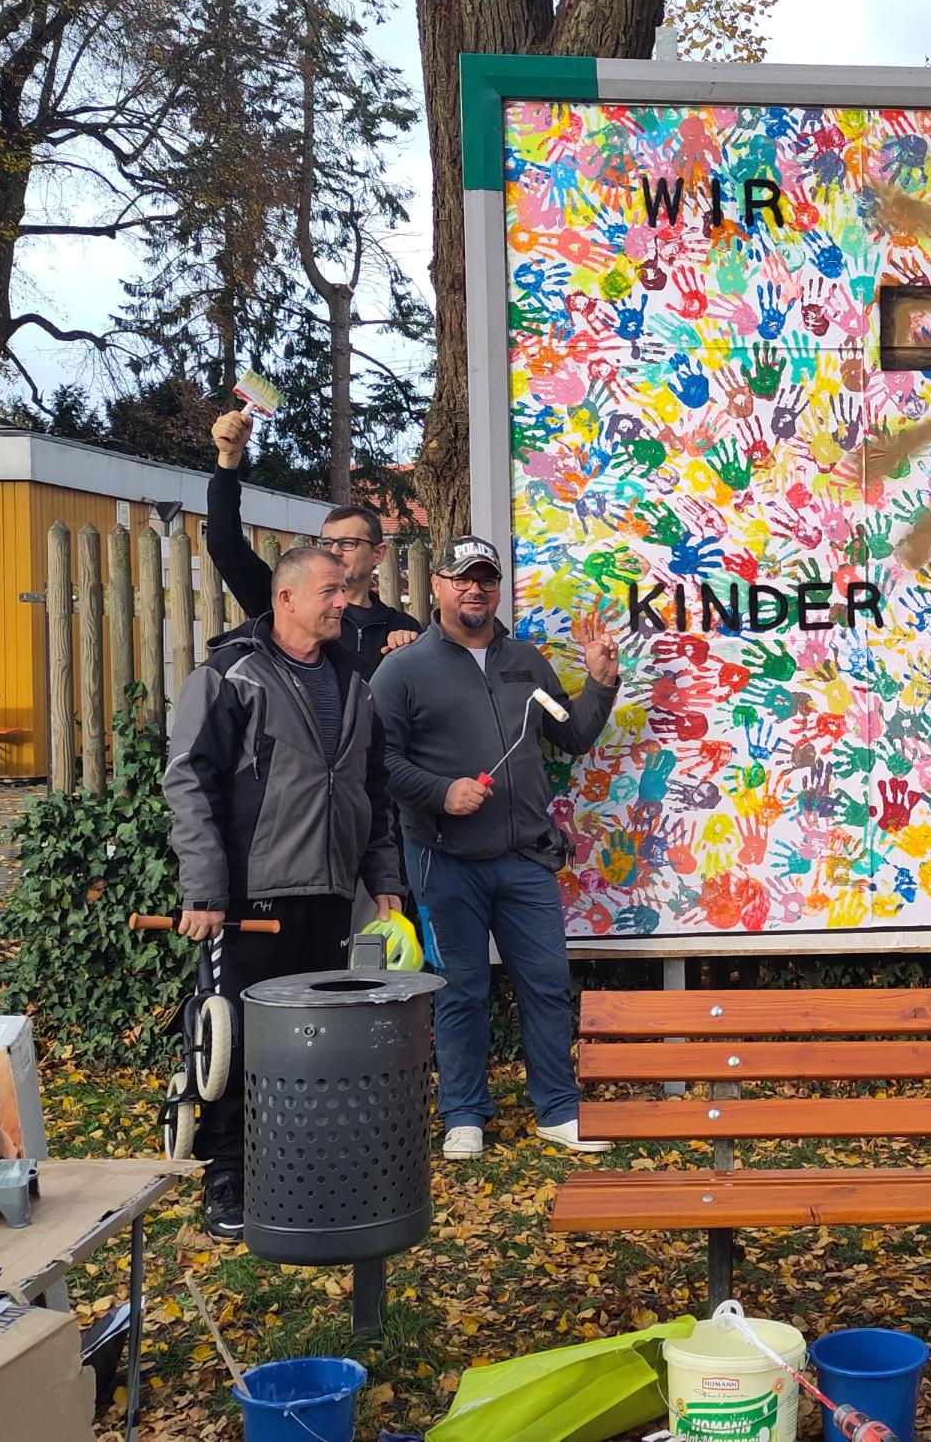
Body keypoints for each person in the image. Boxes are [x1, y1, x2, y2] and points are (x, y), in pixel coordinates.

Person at [164, 546, 405, 1239]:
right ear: (288, 598)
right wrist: (204, 888)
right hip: (247, 900)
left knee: (309, 1041)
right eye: (331, 591)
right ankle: (228, 1175)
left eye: (346, 591)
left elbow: (374, 790)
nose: (344, 602)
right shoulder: (230, 674)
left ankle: (296, 1163)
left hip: (329, 893)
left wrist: (382, 881)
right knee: (236, 1038)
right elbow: (189, 780)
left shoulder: (356, 681)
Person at [371, 536, 619, 1161]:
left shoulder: (525, 661)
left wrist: (599, 684)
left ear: (497, 587)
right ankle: (463, 1114)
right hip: (442, 858)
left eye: (485, 578)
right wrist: (439, 792)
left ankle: (558, 1109)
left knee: (544, 982)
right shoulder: (403, 669)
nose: (474, 589)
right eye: (461, 578)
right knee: (460, 989)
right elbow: (379, 762)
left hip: (526, 859)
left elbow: (573, 737)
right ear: (438, 586)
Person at [207, 408, 422, 660]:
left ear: (378, 553)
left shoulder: (402, 628)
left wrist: (406, 651)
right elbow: (225, 547)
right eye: (327, 542)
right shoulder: (290, 605)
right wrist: (228, 462)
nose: (334, 551)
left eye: (348, 543)